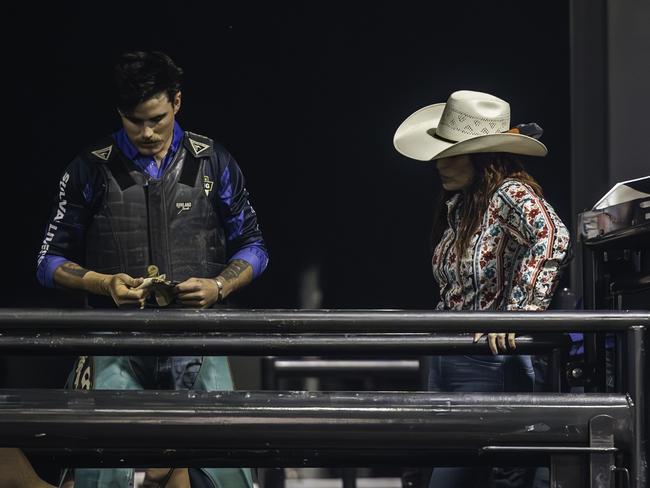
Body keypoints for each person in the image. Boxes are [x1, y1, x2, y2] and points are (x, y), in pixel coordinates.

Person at [36, 51, 268, 488]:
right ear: (119, 113)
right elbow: (47, 262)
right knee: (99, 474)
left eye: (157, 119)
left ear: (177, 102)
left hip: (198, 342)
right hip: (112, 345)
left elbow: (255, 246)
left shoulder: (213, 162)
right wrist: (103, 284)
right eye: (134, 120)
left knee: (227, 474)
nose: (146, 131)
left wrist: (219, 285)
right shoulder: (89, 168)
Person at [393, 90, 571, 487]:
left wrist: (519, 313)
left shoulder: (509, 192)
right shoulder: (465, 203)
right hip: (448, 356)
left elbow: (552, 236)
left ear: (483, 156)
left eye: (452, 153)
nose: (440, 164)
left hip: (489, 361)